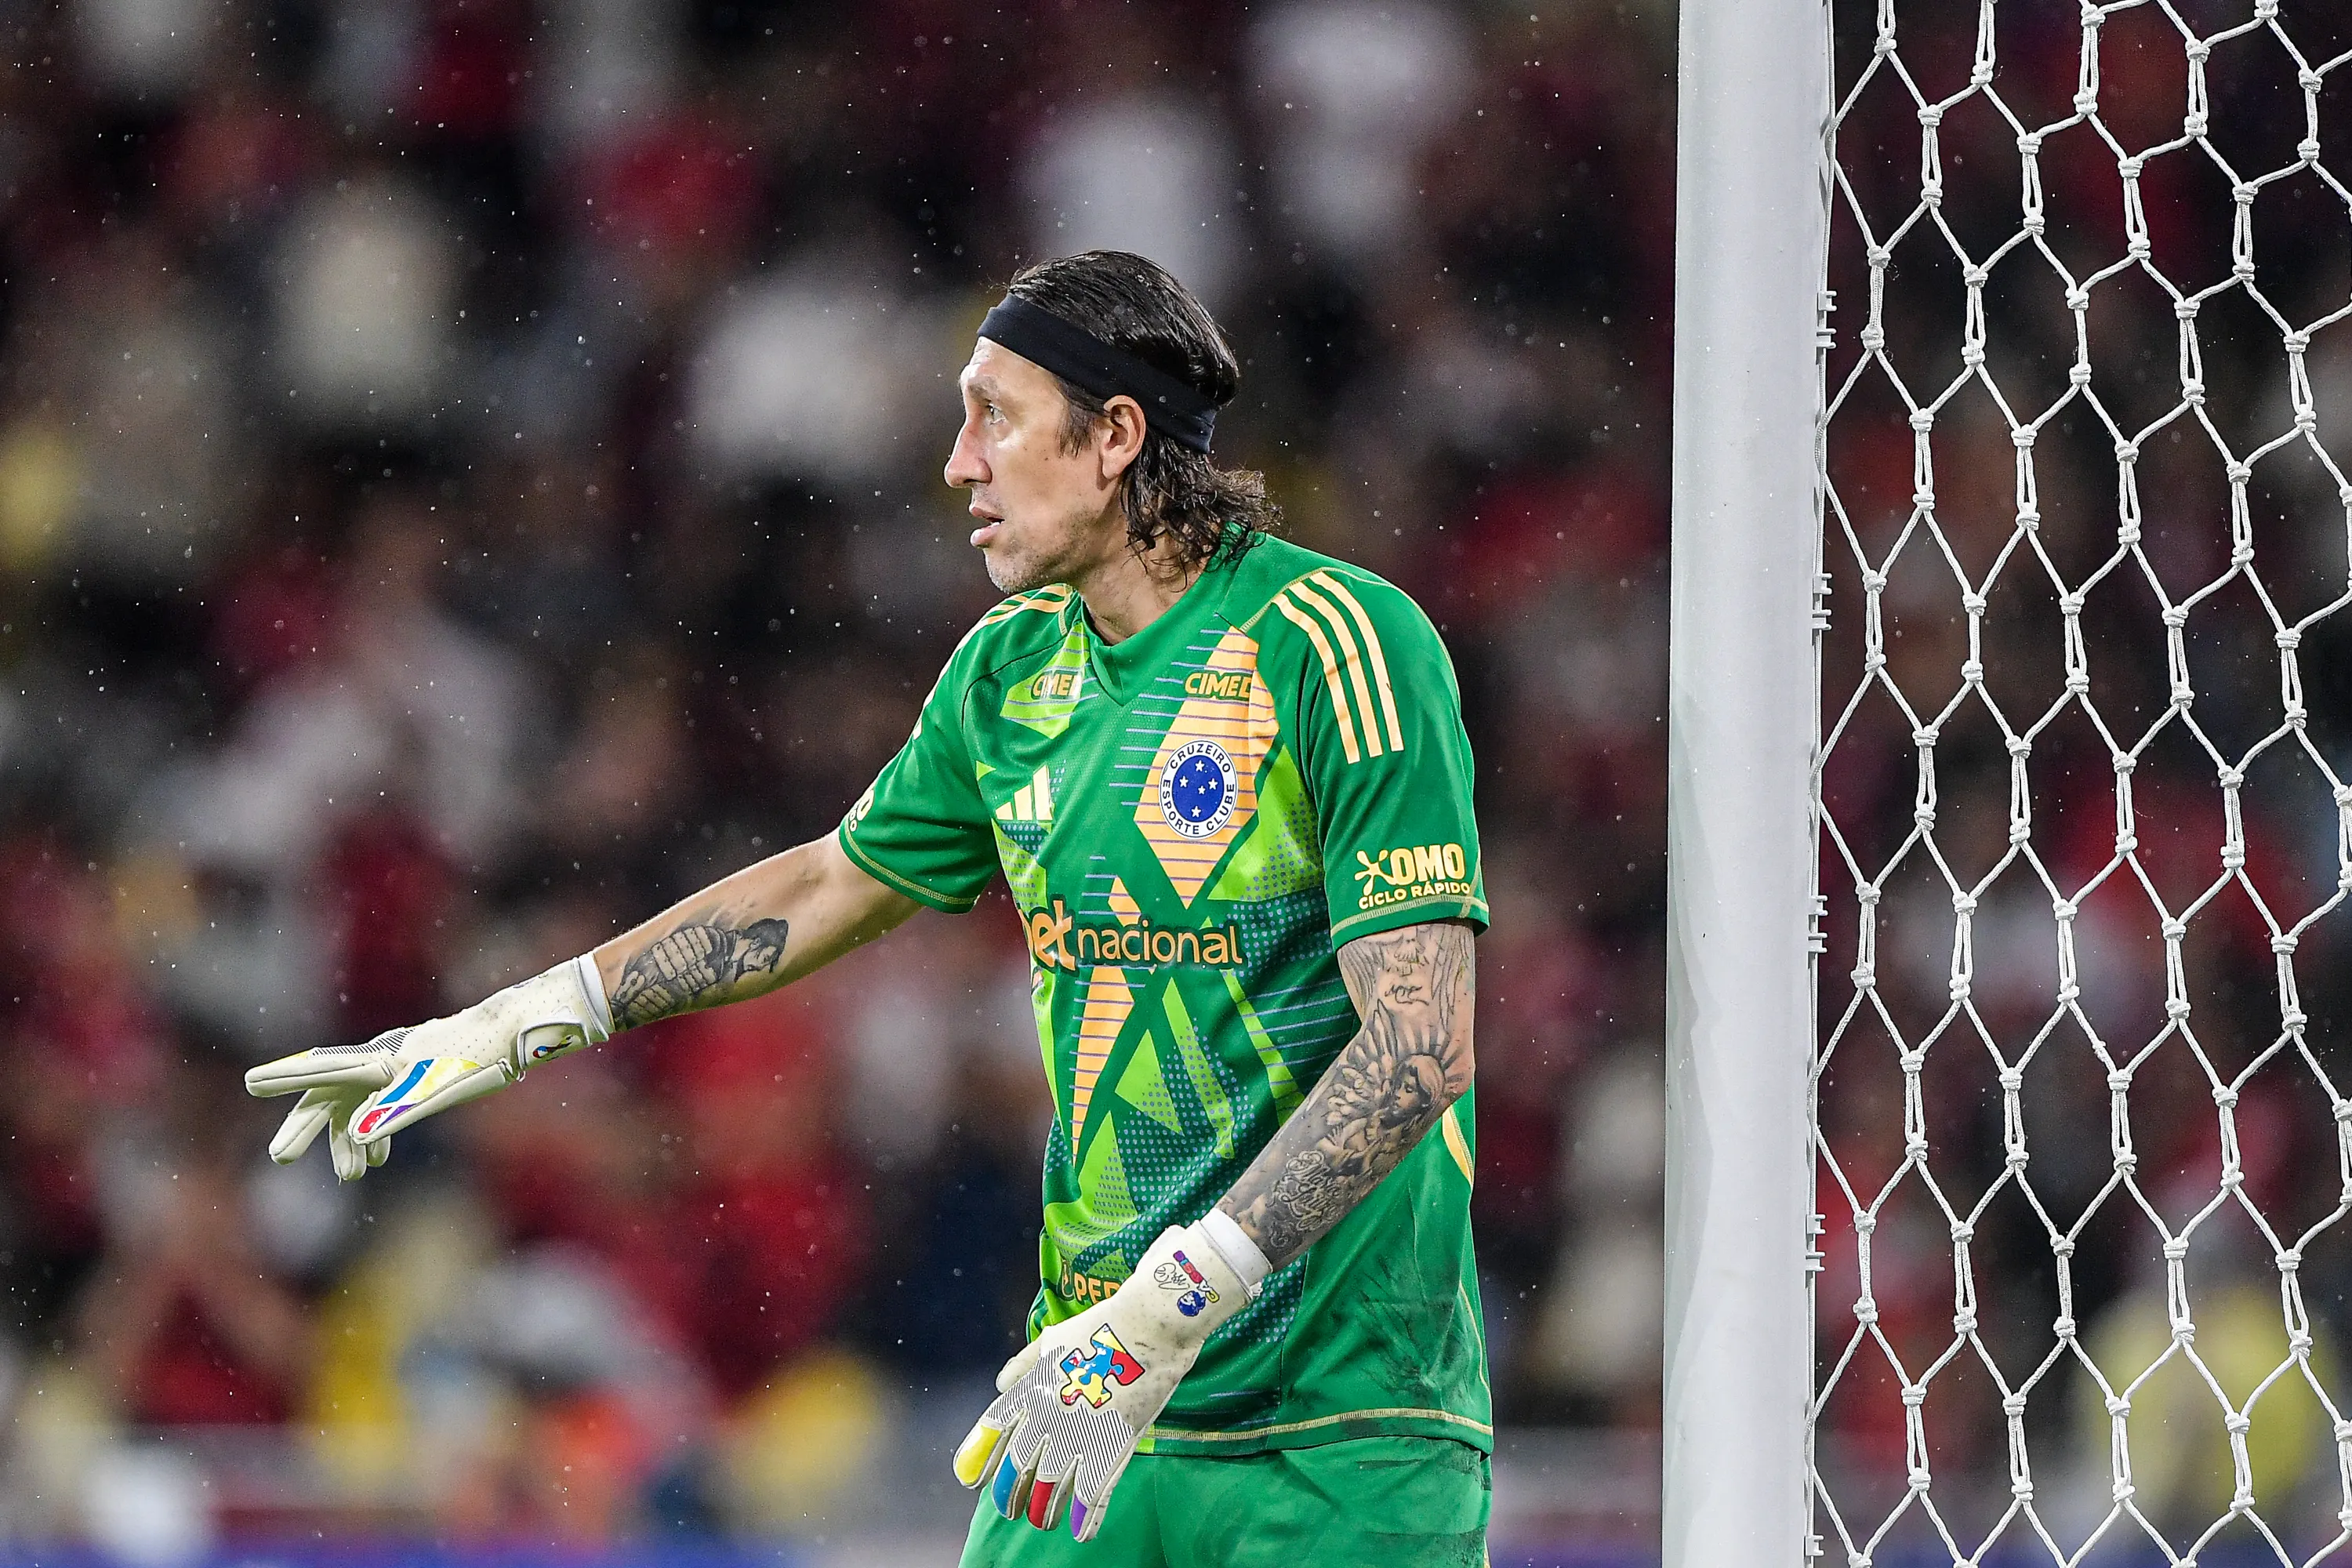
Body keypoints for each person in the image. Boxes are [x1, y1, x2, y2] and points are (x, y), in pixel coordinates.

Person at [246, 250, 1492, 1566]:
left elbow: (1419, 1047)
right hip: (1091, 1400)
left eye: (995, 417)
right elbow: (832, 881)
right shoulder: (1009, 677)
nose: (961, 464)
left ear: (1116, 435)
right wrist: (523, 1019)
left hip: (1343, 1429)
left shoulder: (1337, 643)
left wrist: (1178, 1305)